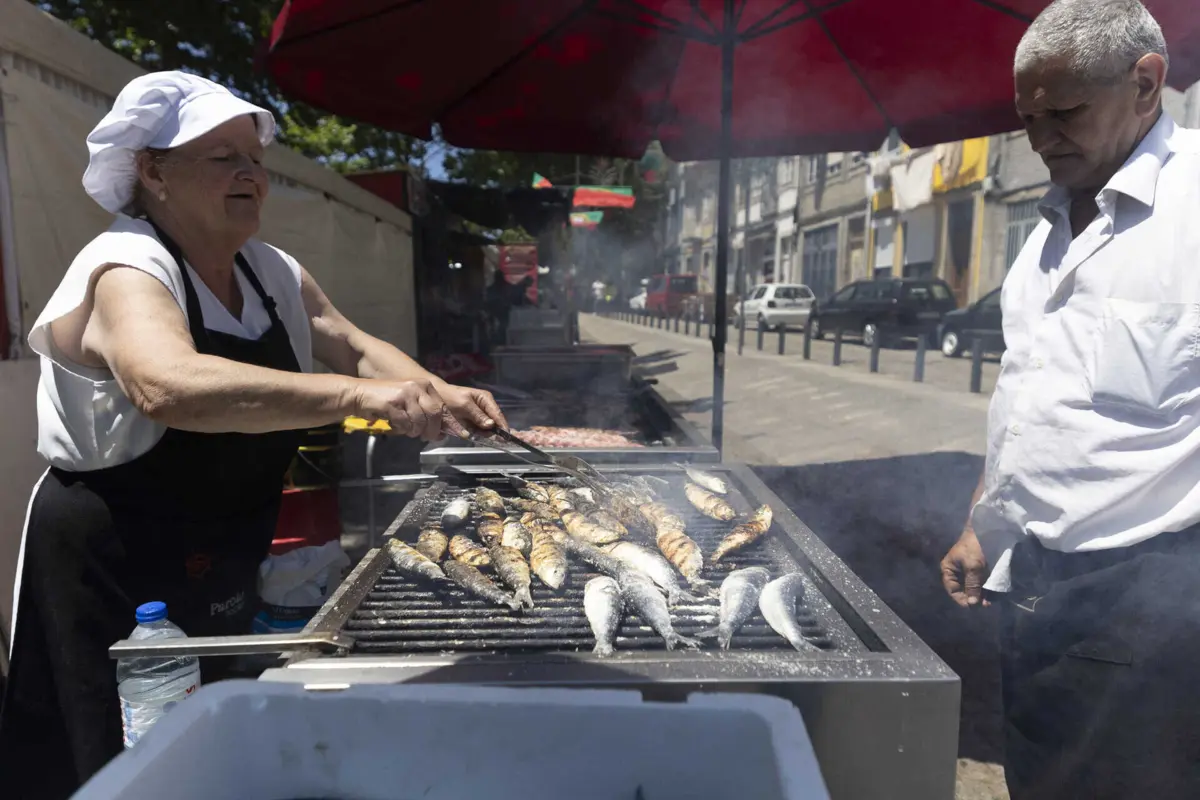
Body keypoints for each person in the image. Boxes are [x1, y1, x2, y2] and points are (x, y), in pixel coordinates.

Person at [0, 71, 505, 798]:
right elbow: (165, 384)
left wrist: (441, 394)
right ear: (152, 170)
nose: (252, 175)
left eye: (257, 160)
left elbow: (353, 345)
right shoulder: (126, 266)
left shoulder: (271, 272)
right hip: (116, 574)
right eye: (224, 156)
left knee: (215, 756)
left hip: (218, 558)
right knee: (120, 772)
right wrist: (363, 396)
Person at [939, 2, 1200, 798]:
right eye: (1028, 118)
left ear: (1146, 83)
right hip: (1038, 584)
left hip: (1151, 601)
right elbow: (1033, 394)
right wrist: (985, 523)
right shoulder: (1050, 223)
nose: (1043, 137)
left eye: (1066, 113)